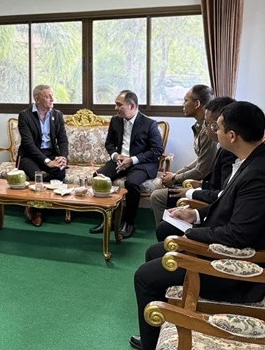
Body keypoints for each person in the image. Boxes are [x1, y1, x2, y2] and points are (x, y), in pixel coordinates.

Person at [119, 101, 265, 350]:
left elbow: (238, 234)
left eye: (218, 128)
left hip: (241, 272)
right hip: (229, 252)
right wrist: (195, 217)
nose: (215, 132)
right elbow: (228, 205)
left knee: (145, 276)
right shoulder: (253, 160)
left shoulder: (260, 175)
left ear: (231, 135)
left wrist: (190, 235)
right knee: (155, 252)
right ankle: (157, 329)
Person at [153, 96, 238, 242]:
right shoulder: (222, 145)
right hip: (206, 192)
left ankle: (170, 242)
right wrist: (175, 176)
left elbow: (205, 175)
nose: (208, 128)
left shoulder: (231, 152)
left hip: (213, 208)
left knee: (158, 198)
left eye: (212, 125)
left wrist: (188, 190)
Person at [90, 90, 164, 239]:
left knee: (131, 183)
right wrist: (115, 156)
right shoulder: (115, 120)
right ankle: (108, 220)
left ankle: (129, 223)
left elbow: (157, 150)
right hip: (119, 160)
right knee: (99, 177)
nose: (115, 108)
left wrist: (132, 159)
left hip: (141, 163)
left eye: (119, 105)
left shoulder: (149, 124)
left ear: (131, 106)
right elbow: (109, 143)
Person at [148, 86, 216, 224]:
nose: (182, 105)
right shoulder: (200, 126)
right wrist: (176, 175)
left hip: (207, 185)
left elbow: (202, 170)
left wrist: (175, 178)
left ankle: (166, 235)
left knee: (157, 196)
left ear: (197, 104)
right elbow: (199, 160)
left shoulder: (209, 131)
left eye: (185, 101)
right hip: (204, 182)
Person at [16, 84, 68, 227]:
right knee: (37, 175)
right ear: (37, 98)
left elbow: (63, 140)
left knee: (60, 172)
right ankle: (37, 211)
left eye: (52, 95)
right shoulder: (24, 116)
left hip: (51, 153)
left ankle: (41, 207)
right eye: (47, 96)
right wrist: (46, 162)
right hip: (29, 156)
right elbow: (28, 144)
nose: (52, 99)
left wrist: (62, 157)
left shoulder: (57, 115)